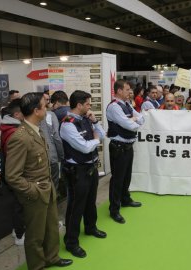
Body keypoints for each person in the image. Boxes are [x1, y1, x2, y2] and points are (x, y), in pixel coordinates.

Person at [5, 92, 72, 270]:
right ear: (36, 110)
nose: (48, 107)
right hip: (35, 194)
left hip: (47, 188)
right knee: (35, 236)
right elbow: (12, 176)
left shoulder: (37, 129)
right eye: (45, 105)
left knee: (51, 228)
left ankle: (52, 257)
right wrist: (33, 191)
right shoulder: (20, 137)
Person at [60, 90, 107, 258]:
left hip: (91, 167)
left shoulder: (87, 118)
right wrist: (95, 140)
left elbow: (102, 135)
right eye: (87, 104)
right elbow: (85, 147)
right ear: (79, 105)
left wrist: (95, 122)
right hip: (77, 171)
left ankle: (90, 227)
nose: (90, 107)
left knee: (90, 201)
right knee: (75, 207)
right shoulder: (67, 124)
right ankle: (71, 242)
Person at [106, 79, 145, 224]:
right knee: (117, 179)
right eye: (127, 89)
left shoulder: (127, 105)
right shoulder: (114, 107)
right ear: (119, 90)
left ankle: (125, 199)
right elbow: (130, 126)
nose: (130, 92)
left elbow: (141, 119)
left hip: (128, 146)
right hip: (119, 147)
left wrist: (133, 119)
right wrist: (134, 120)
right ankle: (114, 209)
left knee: (127, 176)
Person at [0, 99, 26, 246]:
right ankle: (20, 234)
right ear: (16, 114)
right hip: (17, 175)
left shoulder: (9, 127)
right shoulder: (14, 132)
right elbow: (15, 159)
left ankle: (18, 230)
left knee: (19, 203)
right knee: (20, 204)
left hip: (12, 174)